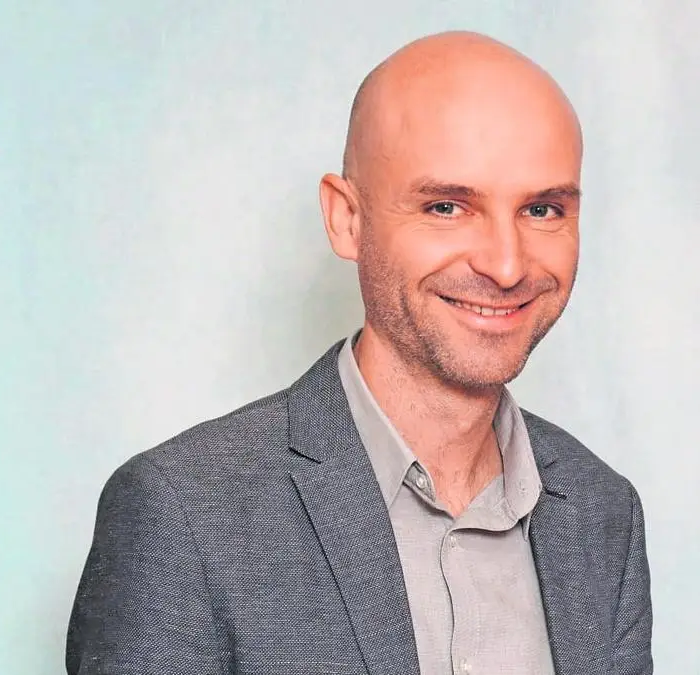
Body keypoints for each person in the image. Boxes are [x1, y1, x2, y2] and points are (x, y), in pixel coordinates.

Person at [66, 31, 652, 675]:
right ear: (346, 218)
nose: (506, 265)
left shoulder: (602, 512)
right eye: (447, 207)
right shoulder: (184, 513)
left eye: (542, 210)